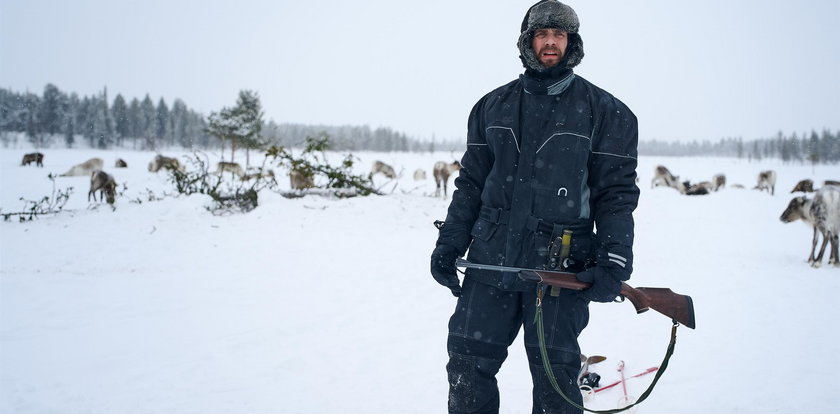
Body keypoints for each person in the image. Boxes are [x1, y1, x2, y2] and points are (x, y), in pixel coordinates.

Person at [430, 1, 640, 413]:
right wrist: (450, 242)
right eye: (542, 34)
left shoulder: (608, 113)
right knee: (467, 369)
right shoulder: (492, 106)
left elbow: (615, 195)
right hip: (491, 262)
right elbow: (471, 184)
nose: (550, 42)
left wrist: (613, 261)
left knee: (554, 385)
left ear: (571, 43)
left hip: (561, 269)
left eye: (559, 35)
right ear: (527, 42)